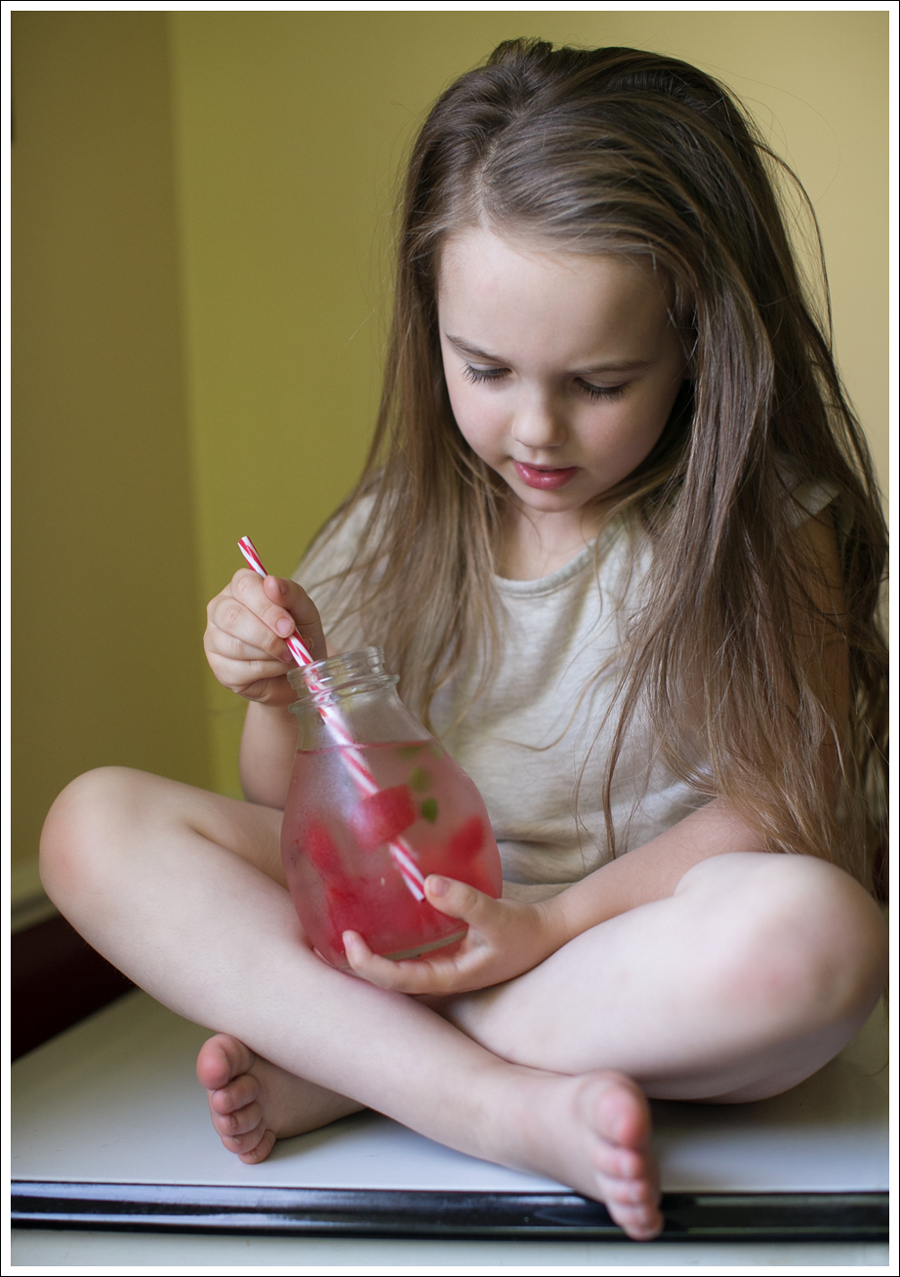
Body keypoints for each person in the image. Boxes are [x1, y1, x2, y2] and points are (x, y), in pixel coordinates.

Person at [39, 40, 888, 1242]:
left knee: (824, 934)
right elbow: (291, 811)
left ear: (701, 342)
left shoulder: (763, 531)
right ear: (429, 320)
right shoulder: (398, 527)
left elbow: (778, 807)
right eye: (484, 367)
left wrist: (541, 927)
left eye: (601, 380)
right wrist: (282, 694)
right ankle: (490, 1103)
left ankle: (361, 1063)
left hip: (620, 950)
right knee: (94, 822)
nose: (534, 428)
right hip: (412, 922)